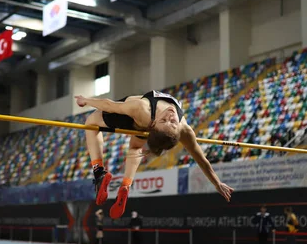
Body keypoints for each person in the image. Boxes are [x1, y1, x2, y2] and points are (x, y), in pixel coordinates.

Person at [76, 91, 234, 219]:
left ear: (153, 126)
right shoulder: (184, 129)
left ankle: (99, 171)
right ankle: (125, 186)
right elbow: (201, 159)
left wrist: (86, 100)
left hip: (139, 116)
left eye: (166, 121)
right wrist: (217, 182)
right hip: (141, 121)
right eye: (171, 121)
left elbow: (108, 105)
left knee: (91, 122)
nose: (171, 116)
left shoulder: (141, 107)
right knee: (135, 148)